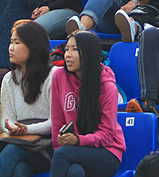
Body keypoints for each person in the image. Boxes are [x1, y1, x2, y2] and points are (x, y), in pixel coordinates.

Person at [50, 31, 125, 177]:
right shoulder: (59, 76)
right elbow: (57, 121)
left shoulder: (107, 87)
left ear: (89, 53)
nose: (68, 55)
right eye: (66, 49)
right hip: (72, 151)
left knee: (63, 155)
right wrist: (60, 144)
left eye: (75, 49)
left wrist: (78, 141)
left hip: (107, 153)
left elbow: (107, 136)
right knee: (75, 172)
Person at [0, 20, 54, 177]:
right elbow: (6, 118)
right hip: (20, 141)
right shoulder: (9, 79)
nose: (11, 48)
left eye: (17, 42)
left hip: (46, 147)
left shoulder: (54, 75)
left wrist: (26, 130)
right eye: (11, 42)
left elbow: (55, 122)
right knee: (19, 170)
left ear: (33, 46)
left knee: (12, 150)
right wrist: (11, 127)